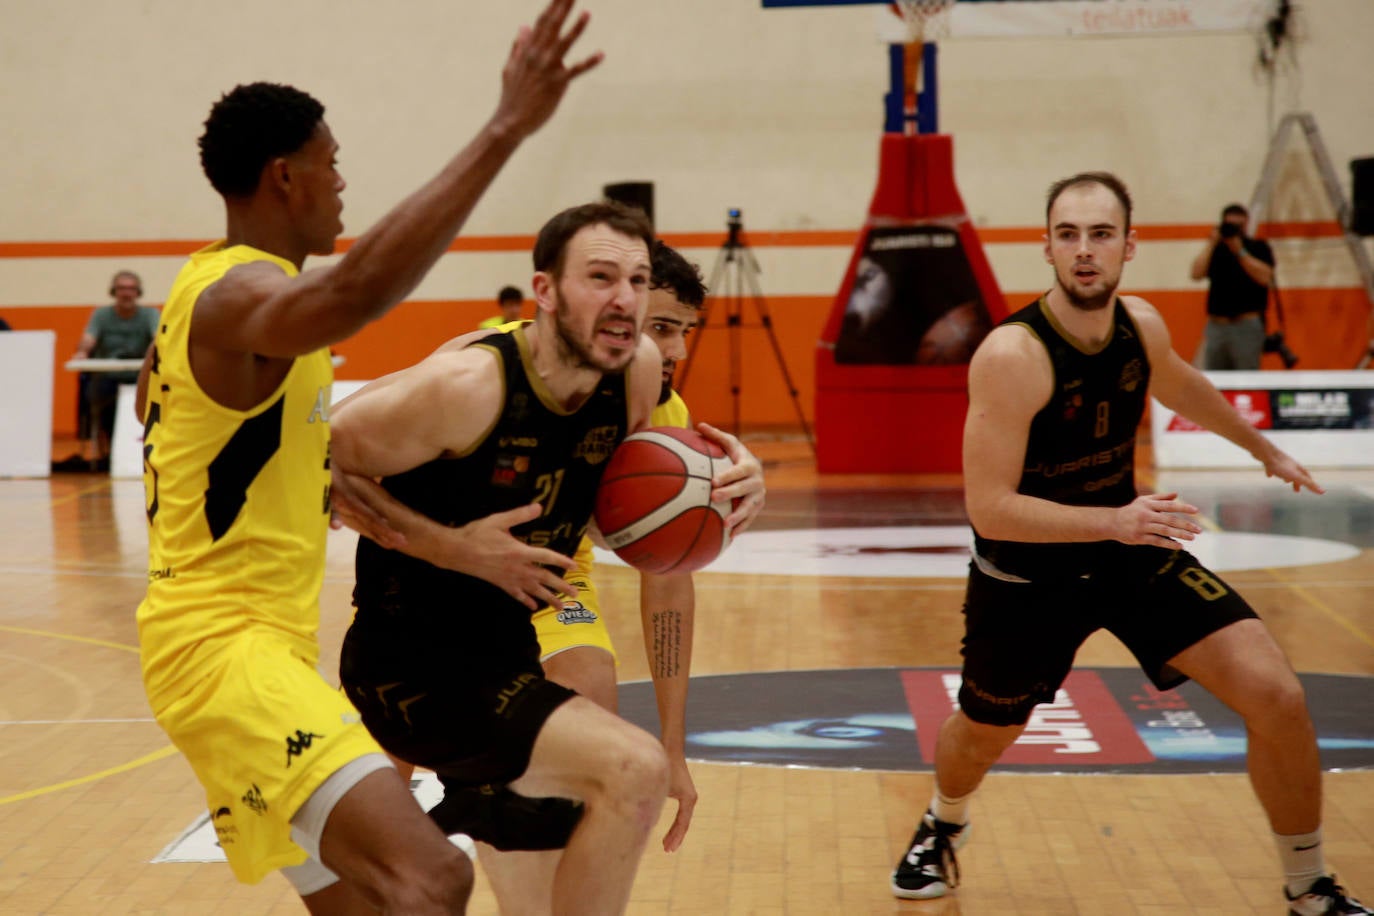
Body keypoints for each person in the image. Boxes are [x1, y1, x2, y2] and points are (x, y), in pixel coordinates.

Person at [133, 2, 602, 911]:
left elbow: (329, 483)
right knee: (434, 875)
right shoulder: (236, 299)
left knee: (366, 903)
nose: (343, 182)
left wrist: (457, 547)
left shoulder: (219, 304)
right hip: (225, 655)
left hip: (244, 650)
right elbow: (361, 290)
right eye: (332, 163)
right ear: (285, 178)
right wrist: (506, 129)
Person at [891, 172, 1370, 916]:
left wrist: (1259, 447)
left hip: (1128, 546)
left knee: (1277, 695)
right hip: (1028, 573)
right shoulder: (1012, 356)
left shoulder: (1139, 325)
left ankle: (1309, 884)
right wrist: (1112, 521)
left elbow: (1178, 383)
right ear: (1045, 247)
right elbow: (989, 510)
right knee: (986, 730)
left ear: (1129, 246)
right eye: (1069, 235)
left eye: (1102, 234)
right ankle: (942, 820)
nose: (1085, 251)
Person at [329, 202, 764, 915]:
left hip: (507, 653)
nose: (624, 297)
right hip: (410, 662)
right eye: (600, 277)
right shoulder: (469, 383)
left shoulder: (638, 378)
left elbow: (647, 538)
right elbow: (313, 458)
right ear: (546, 292)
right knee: (630, 768)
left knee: (525, 891)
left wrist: (731, 490)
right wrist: (454, 548)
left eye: (636, 280)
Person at [74, 270, 160, 463]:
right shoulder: (101, 314)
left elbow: (158, 340)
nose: (126, 293)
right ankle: (108, 453)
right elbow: (88, 339)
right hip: (108, 377)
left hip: (139, 377)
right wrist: (83, 351)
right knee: (98, 397)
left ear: (138, 292)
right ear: (114, 292)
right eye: (121, 288)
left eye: (131, 288)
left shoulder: (150, 314)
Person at [1190, 202, 1276, 370]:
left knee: (1247, 380)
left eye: (1238, 225)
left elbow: (1265, 277)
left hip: (1245, 324)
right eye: (1230, 225)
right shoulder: (1216, 250)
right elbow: (1196, 274)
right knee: (1216, 381)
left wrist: (1240, 251)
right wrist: (1211, 243)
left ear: (1246, 224)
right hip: (1217, 326)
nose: (1234, 229)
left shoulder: (1258, 247)